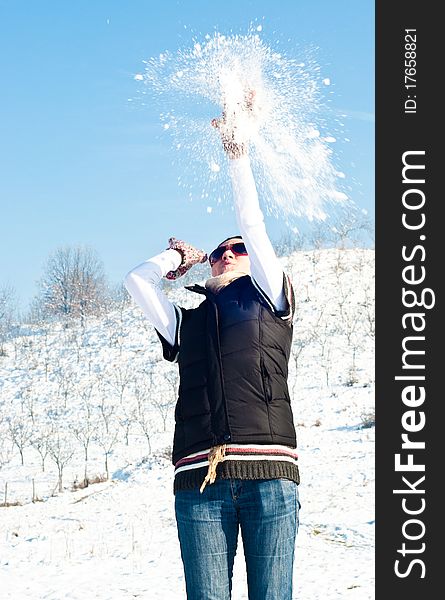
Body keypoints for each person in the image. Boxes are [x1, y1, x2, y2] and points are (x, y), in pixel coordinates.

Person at [124, 97, 300, 600]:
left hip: (270, 476)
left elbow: (254, 224)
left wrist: (236, 153)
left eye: (235, 250)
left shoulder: (270, 298)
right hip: (198, 482)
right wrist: (176, 256)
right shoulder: (188, 323)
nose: (226, 254)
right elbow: (137, 282)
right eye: (219, 252)